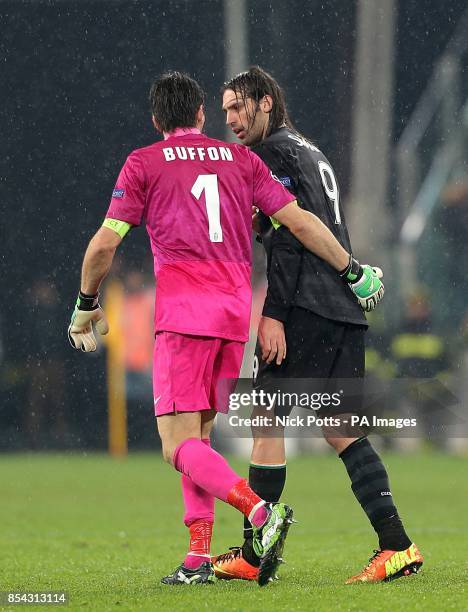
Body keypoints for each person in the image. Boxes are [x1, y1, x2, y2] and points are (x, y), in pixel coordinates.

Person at [67, 72, 383, 586]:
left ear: (156, 121)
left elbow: (105, 244)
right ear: (200, 116)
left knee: (176, 446)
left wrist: (85, 302)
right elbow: (300, 222)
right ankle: (196, 560)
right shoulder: (242, 160)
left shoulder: (144, 162)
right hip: (233, 318)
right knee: (202, 438)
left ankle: (262, 513)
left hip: (184, 315)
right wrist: (352, 268)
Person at [212, 66, 422, 584]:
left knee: (265, 419)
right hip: (344, 306)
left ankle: (253, 555)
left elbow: (290, 234)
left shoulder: (270, 154)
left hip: (305, 305)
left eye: (239, 107)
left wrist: (276, 311)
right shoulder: (308, 148)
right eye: (225, 112)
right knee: (342, 429)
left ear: (265, 103)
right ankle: (397, 546)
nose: (232, 120)